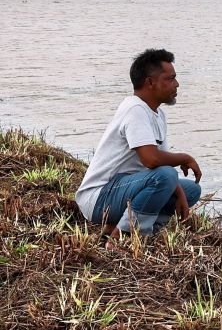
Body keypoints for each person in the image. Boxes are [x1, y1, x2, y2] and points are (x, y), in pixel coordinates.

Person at [75, 48, 203, 236]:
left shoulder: (157, 114)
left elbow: (156, 168)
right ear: (150, 82)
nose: (177, 84)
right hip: (99, 197)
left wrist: (180, 194)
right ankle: (126, 235)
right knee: (167, 175)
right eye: (170, 78)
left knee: (191, 190)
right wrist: (184, 158)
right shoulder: (135, 109)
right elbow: (151, 160)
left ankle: (127, 228)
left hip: (125, 190)